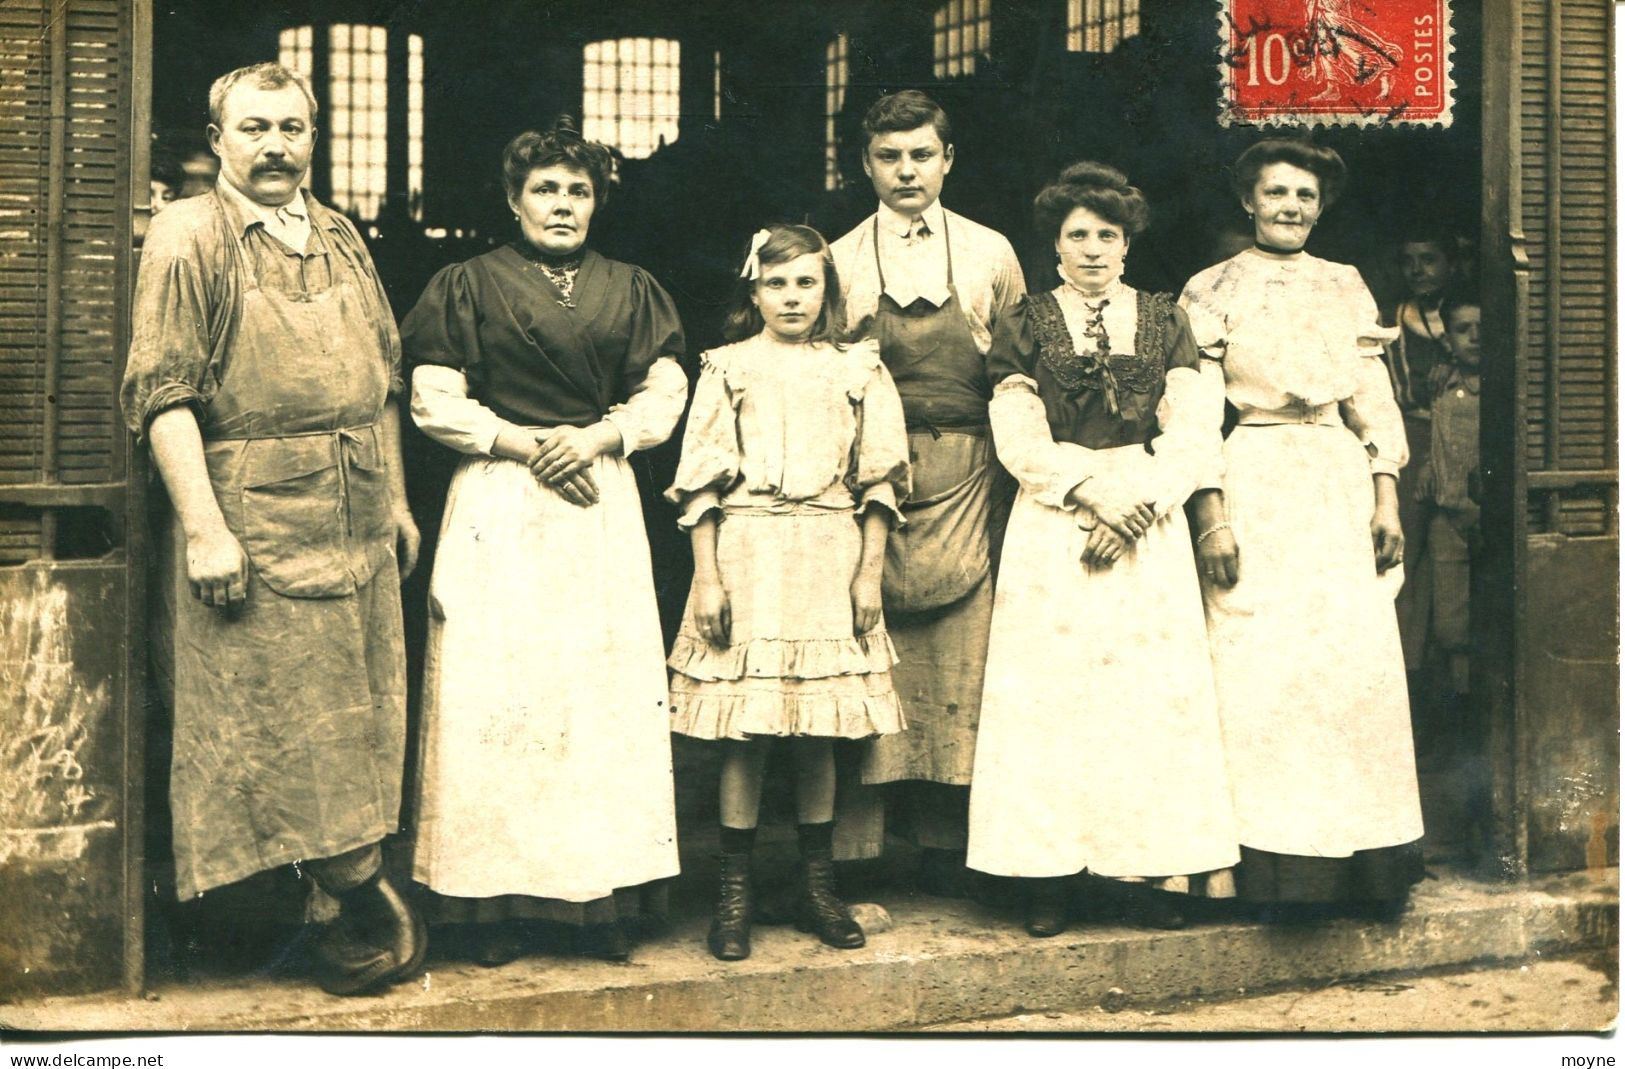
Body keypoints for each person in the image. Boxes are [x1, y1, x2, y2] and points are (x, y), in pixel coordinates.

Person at [119, 63, 424, 996]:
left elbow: (381, 386)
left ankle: (337, 909)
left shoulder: (335, 231)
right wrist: (207, 531)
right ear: (217, 140)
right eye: (254, 128)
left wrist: (400, 502)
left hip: (358, 511)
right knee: (268, 728)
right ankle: (340, 899)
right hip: (253, 520)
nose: (277, 146)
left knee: (357, 723)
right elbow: (163, 398)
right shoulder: (187, 235)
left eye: (293, 128)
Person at [401, 120, 687, 966]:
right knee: (502, 698)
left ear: (597, 202)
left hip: (596, 503)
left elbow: (666, 390)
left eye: (578, 190)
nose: (562, 205)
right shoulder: (465, 284)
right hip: (501, 505)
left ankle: (599, 900)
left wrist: (598, 439)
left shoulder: (632, 288)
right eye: (545, 189)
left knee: (595, 697)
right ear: (512, 199)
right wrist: (527, 445)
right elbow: (432, 397)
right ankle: (492, 905)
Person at [965, 163, 1239, 936]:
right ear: (1054, 243)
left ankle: (1143, 870)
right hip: (1056, 517)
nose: (1092, 249)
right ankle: (1047, 875)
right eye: (1077, 234)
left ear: (1127, 242)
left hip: (1146, 521)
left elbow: (1191, 427)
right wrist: (1092, 492)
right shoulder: (1025, 320)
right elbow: (1015, 433)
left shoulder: (1164, 319)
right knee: (1052, 699)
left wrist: (1140, 501)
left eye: (1107, 235)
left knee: (1142, 697)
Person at [1179, 139, 1424, 918]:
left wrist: (1383, 492)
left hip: (1335, 477)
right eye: (1275, 192)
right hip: (1254, 472)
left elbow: (1372, 398)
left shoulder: (1345, 284)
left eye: (1305, 196)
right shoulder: (1211, 287)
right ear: (1246, 200)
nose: (1290, 207)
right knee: (1265, 672)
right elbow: (1190, 410)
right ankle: (1278, 871)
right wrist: (1211, 512)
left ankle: (1364, 868)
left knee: (1348, 669)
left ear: (1321, 207)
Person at [667, 224, 910, 961]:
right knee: (748, 730)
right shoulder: (727, 367)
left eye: (806, 282)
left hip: (829, 553)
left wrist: (867, 572)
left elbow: (880, 482)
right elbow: (701, 482)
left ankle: (816, 884)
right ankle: (734, 891)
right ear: (753, 292)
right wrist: (708, 575)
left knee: (817, 734)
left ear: (827, 290)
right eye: (776, 283)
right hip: (747, 552)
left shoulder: (857, 367)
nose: (792, 296)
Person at [828, 90, 1026, 895]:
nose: (905, 170)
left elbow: (1019, 373)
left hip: (970, 477)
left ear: (948, 159)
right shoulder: (836, 258)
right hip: (869, 478)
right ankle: (855, 854)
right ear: (864, 163)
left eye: (920, 154)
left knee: (962, 662)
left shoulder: (990, 253)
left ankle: (953, 849)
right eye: (888, 156)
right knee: (866, 651)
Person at [1384, 227, 1461, 684]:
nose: (1419, 270)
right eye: (1410, 260)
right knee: (1407, 556)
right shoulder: (1391, 319)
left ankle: (1453, 672)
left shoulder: (1468, 319)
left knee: (1451, 550)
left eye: (1429, 259)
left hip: (1457, 439)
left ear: (1450, 264)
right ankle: (1410, 672)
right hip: (1410, 439)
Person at [1413, 286, 1481, 752]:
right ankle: (1455, 719)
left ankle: (1484, 720)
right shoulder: (1440, 382)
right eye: (1463, 330)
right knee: (1449, 624)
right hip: (1445, 517)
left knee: (1490, 617)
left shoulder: (1504, 387)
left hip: (1484, 517)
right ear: (1447, 339)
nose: (1475, 338)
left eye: (1483, 329)